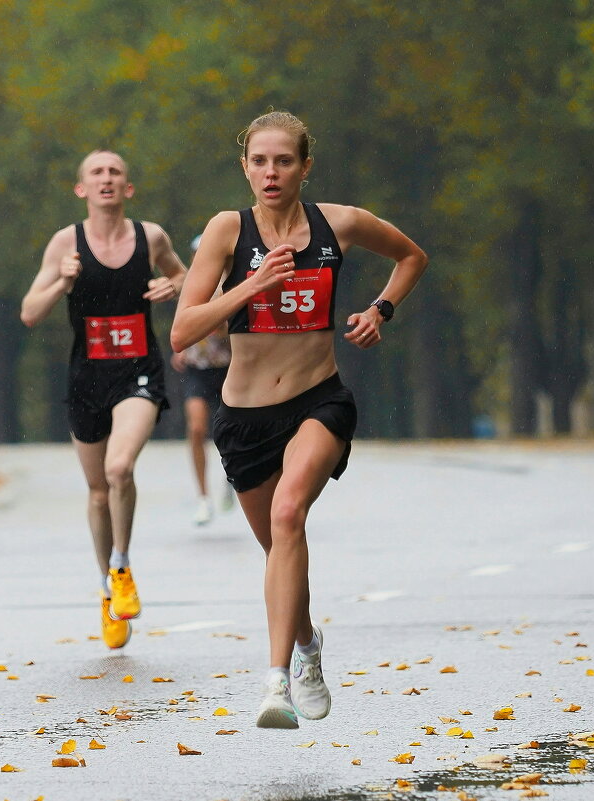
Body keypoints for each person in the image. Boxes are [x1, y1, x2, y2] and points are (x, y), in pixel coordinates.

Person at [171, 111, 428, 728]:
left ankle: (276, 683)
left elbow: (411, 256)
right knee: (279, 548)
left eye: (283, 161)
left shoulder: (339, 224)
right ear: (245, 168)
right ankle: (309, 643)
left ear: (305, 168)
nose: (271, 172)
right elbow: (183, 329)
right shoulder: (226, 232)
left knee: (290, 515)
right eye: (259, 161)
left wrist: (380, 310)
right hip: (244, 418)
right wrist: (249, 287)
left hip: (319, 400)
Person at [20, 149, 187, 650]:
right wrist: (61, 280)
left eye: (116, 172)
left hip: (138, 372)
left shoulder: (150, 237)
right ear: (82, 189)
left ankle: (122, 565)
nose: (107, 179)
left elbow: (190, 277)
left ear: (128, 188)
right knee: (97, 492)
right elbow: (30, 311)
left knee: (119, 469)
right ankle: (106, 586)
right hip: (86, 378)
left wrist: (170, 286)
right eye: (97, 172)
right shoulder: (64, 243)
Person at [171, 323, 232, 525]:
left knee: (231, 430)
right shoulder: (191, 290)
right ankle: (204, 498)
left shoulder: (231, 290)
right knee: (196, 429)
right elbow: (183, 314)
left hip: (229, 366)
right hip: (196, 368)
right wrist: (179, 346)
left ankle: (233, 479)